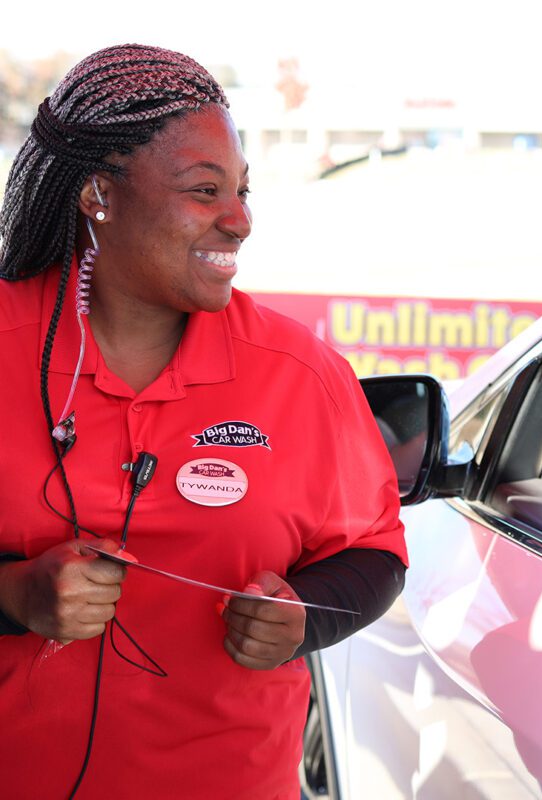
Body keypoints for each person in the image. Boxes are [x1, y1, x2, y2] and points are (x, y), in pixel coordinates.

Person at [0, 44, 407, 800]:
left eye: (244, 191)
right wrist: (13, 596)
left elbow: (376, 553)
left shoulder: (302, 374)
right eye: (204, 190)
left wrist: (304, 621)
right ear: (98, 194)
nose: (241, 221)